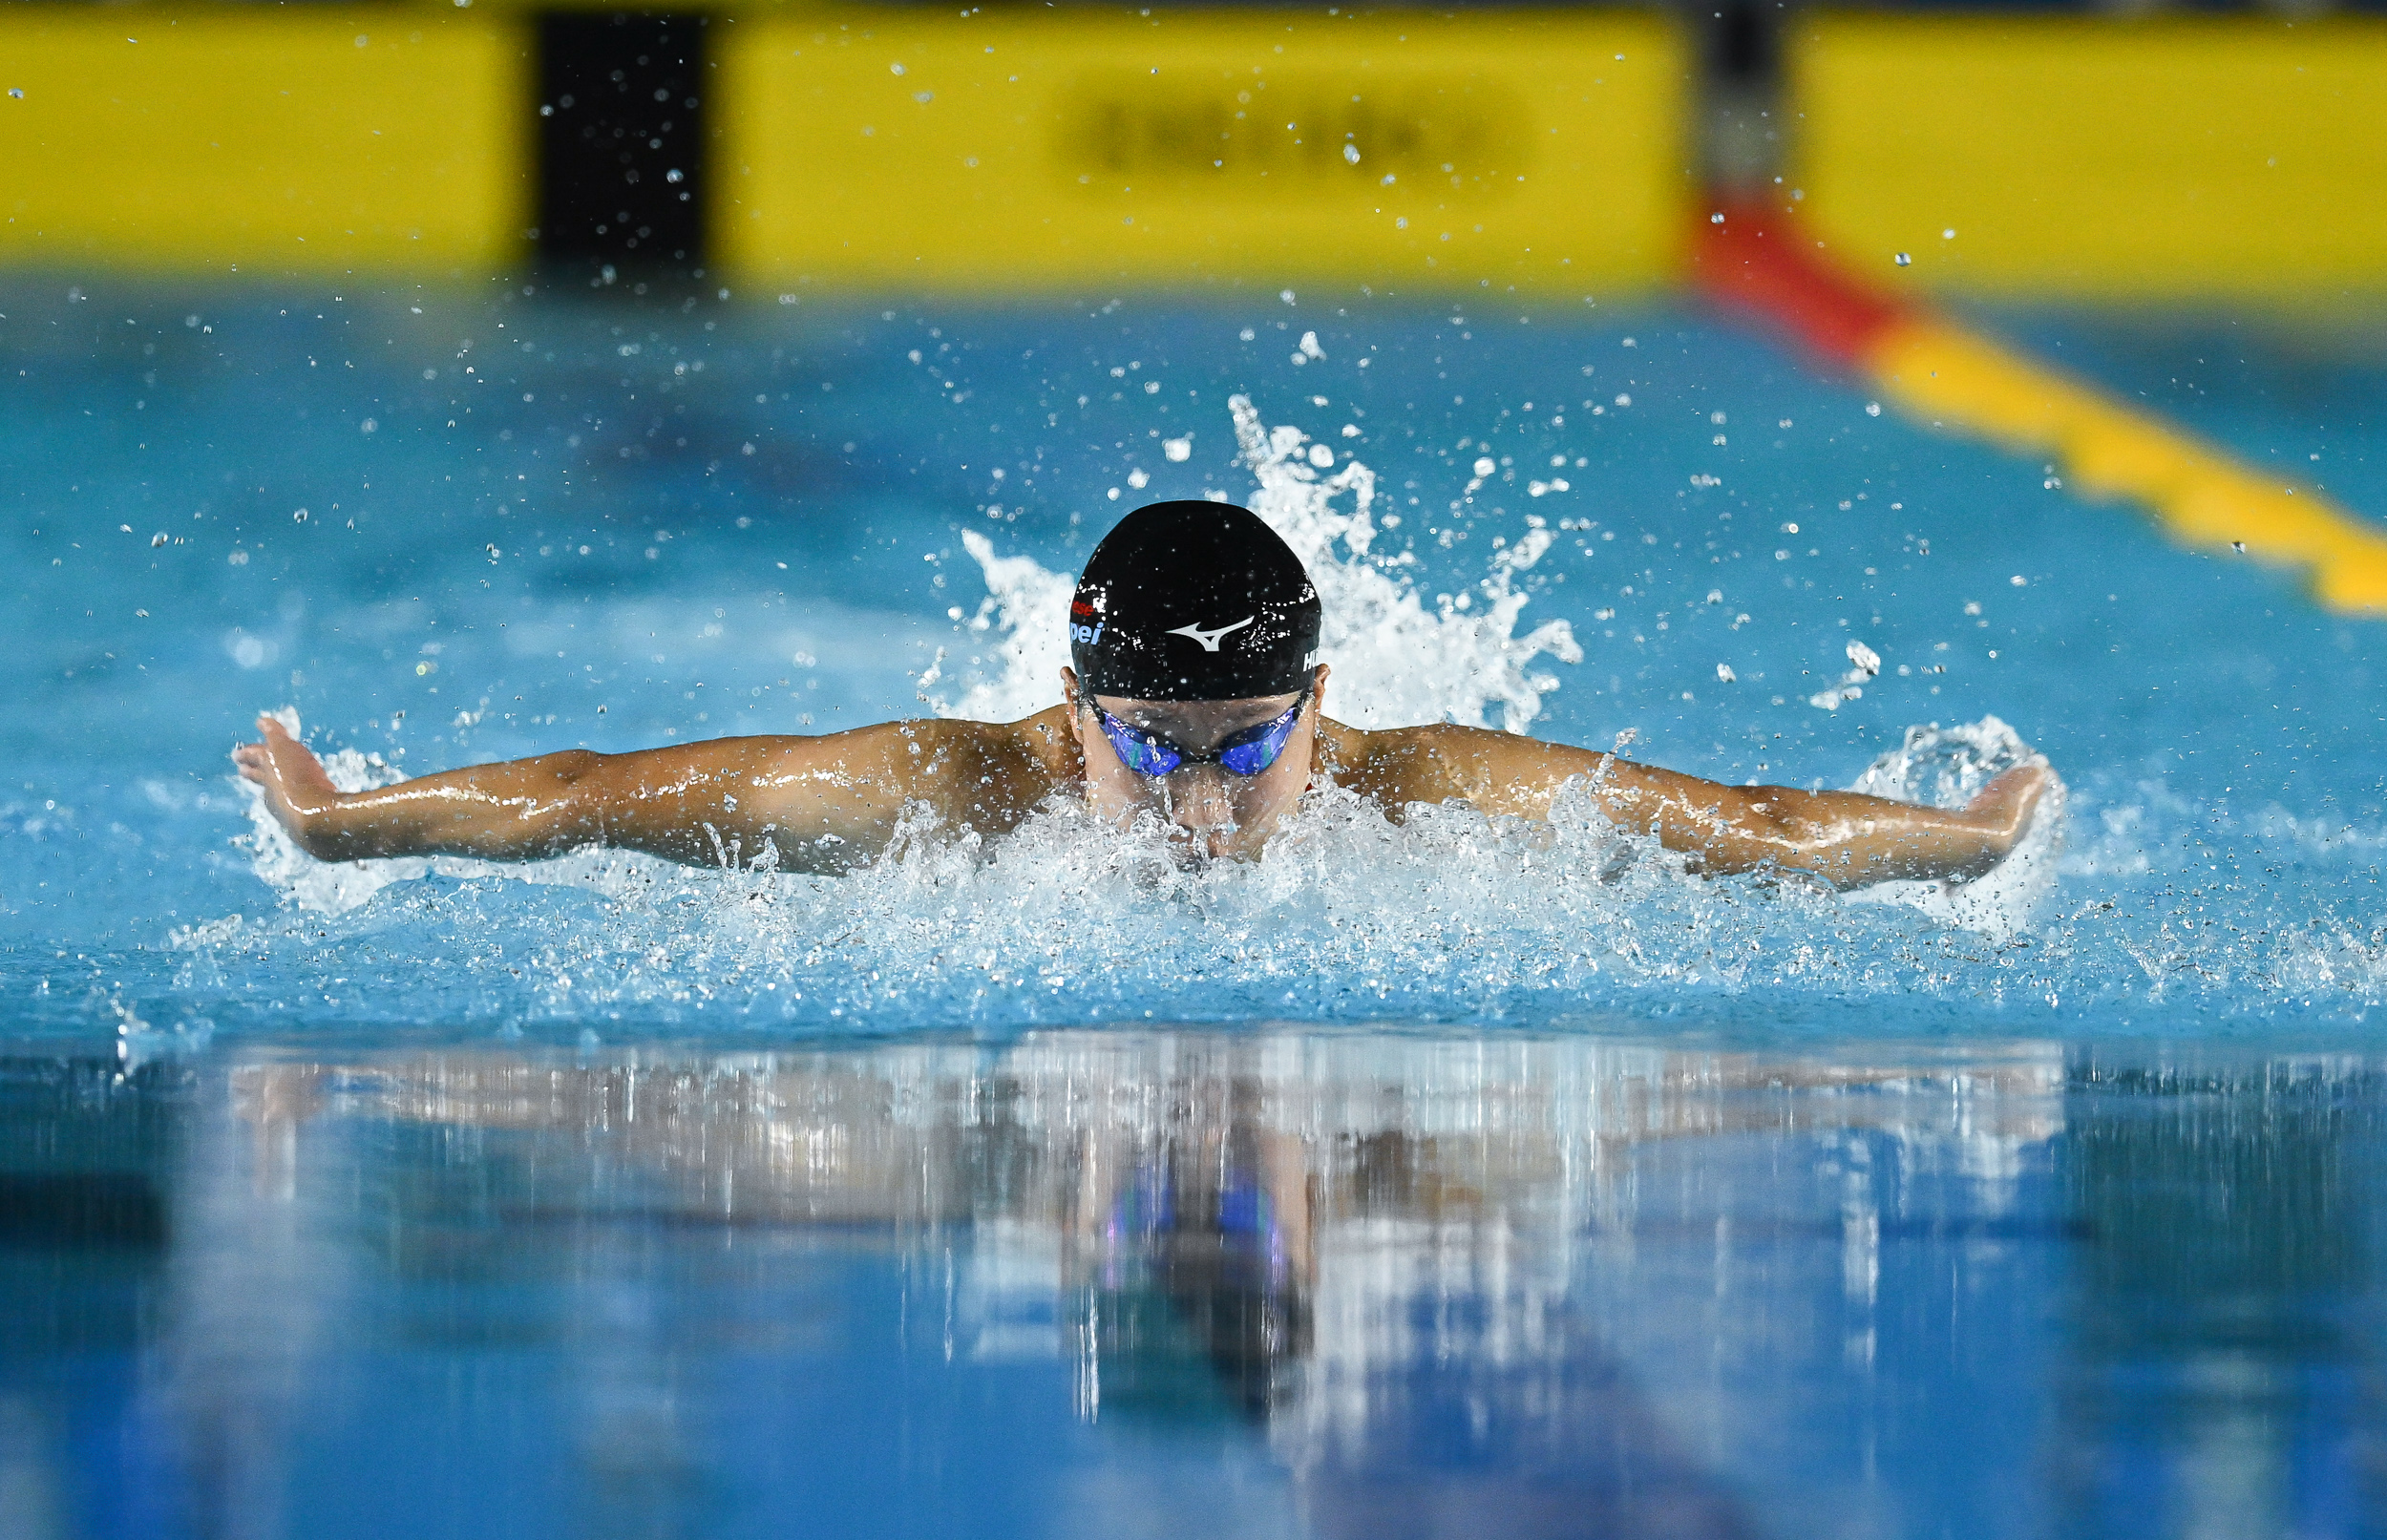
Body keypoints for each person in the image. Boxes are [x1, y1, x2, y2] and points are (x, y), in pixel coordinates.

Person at [236, 500, 2051, 886]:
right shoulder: (957, 788)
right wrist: (350, 824)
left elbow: (1752, 829)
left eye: (1252, 746)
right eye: (1153, 750)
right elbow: (599, 793)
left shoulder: (1412, 788)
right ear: (1069, 704)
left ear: (1321, 704)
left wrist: (1967, 841)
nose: (1201, 803)